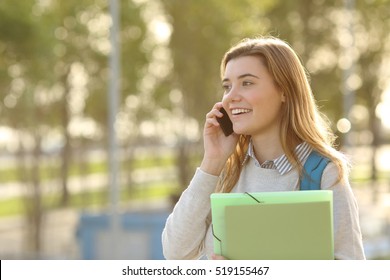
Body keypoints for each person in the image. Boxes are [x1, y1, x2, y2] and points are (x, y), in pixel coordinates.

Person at [162, 36, 366, 260]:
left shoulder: (323, 173)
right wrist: (211, 162)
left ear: (285, 91)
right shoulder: (224, 173)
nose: (230, 97)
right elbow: (175, 253)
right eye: (227, 86)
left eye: (247, 83)